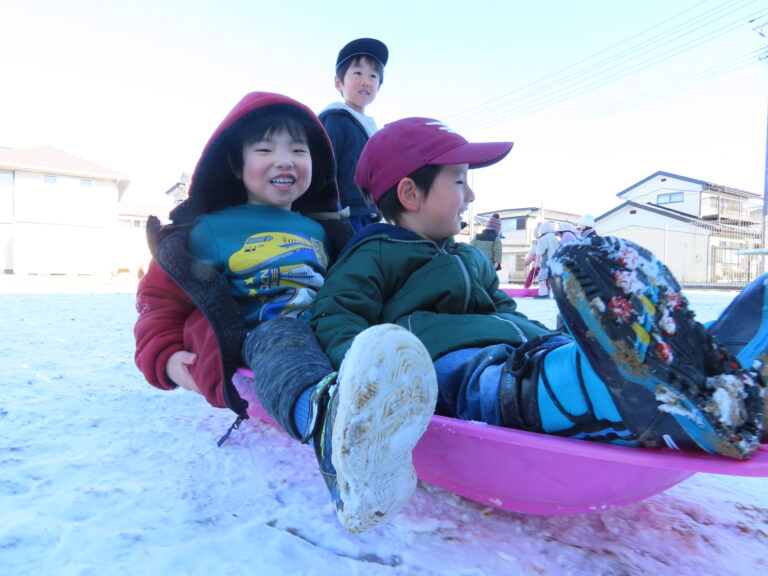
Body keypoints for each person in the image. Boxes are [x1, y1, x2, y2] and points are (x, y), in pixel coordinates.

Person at [230, 118, 766, 535]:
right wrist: (365, 376)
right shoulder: (373, 254)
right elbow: (336, 314)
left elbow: (506, 313)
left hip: (511, 354)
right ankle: (638, 389)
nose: (471, 197)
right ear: (411, 195)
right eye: (460, 182)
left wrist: (545, 337)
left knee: (547, 354)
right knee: (498, 382)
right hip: (441, 368)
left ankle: (705, 368)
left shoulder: (472, 259)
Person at [133, 91, 354, 423]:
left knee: (368, 338)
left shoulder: (322, 233)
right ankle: (324, 419)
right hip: (262, 342)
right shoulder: (211, 230)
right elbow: (162, 301)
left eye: (298, 150)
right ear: (237, 165)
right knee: (282, 336)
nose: (285, 160)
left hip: (323, 336)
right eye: (265, 149)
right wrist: (165, 357)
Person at [319, 38, 388, 233]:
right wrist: (331, 213)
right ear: (338, 82)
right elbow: (324, 170)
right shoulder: (334, 119)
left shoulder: (372, 128)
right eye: (357, 73)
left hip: (368, 214)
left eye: (373, 76)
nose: (366, 81)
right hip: (341, 216)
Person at [533, 221, 560, 298]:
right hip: (556, 262)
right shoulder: (556, 238)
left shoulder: (544, 238)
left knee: (542, 277)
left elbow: (539, 251)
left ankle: (543, 294)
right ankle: (557, 294)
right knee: (554, 279)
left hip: (547, 262)